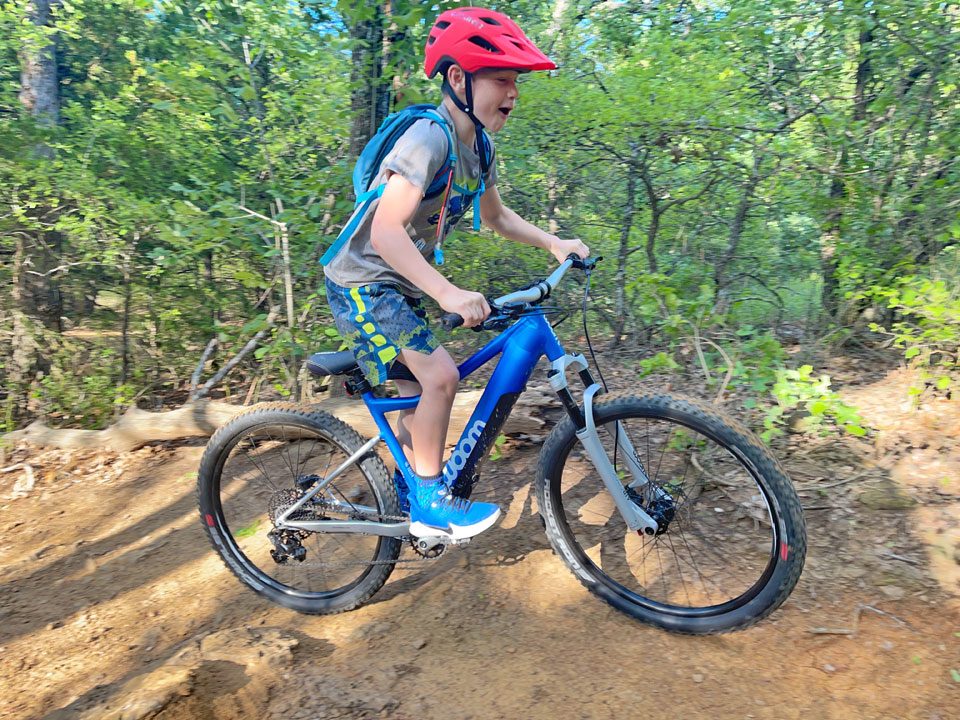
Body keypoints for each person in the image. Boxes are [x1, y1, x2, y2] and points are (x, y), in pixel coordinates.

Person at [323, 7, 589, 540]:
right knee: (441, 376)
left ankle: (404, 501)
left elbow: (496, 217)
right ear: (458, 78)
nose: (512, 93)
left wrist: (555, 243)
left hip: (396, 282)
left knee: (420, 395)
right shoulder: (428, 137)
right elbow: (385, 232)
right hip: (361, 281)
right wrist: (446, 292)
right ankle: (428, 505)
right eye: (501, 79)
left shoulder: (480, 147)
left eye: (516, 83)